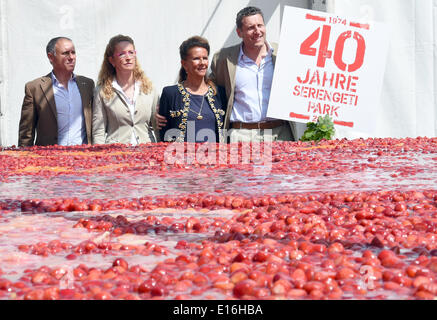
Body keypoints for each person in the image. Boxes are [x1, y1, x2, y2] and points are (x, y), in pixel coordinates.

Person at [210, 6, 297, 143]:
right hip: (241, 135)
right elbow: (207, 90)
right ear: (239, 32)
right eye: (251, 28)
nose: (257, 31)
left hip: (280, 134)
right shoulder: (223, 58)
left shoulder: (283, 54)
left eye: (260, 25)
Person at [18, 37, 95, 147]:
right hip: (49, 158)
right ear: (51, 57)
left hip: (83, 156)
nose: (71, 57)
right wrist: (24, 157)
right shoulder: (35, 88)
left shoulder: (87, 85)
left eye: (73, 52)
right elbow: (26, 133)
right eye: (65, 53)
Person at [92, 35, 158, 145]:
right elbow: (98, 131)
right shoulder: (102, 91)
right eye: (122, 54)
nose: (128, 57)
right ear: (112, 60)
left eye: (131, 52)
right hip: (115, 155)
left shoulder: (149, 88)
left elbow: (157, 125)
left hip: (147, 152)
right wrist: (99, 157)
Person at [159, 36, 227, 143]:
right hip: (180, 158)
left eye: (205, 58)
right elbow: (163, 134)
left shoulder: (219, 93)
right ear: (184, 64)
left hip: (213, 157)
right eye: (196, 58)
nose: (202, 63)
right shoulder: (170, 94)